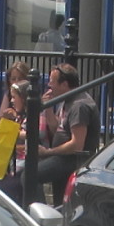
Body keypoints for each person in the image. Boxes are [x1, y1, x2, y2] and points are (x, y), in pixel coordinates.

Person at [39, 63, 99, 203]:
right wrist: (47, 107)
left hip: (73, 160)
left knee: (31, 175)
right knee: (60, 200)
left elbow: (77, 145)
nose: (49, 85)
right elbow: (56, 129)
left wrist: (48, 152)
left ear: (64, 84)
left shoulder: (79, 105)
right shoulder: (66, 100)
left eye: (52, 82)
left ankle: (37, 218)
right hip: (61, 156)